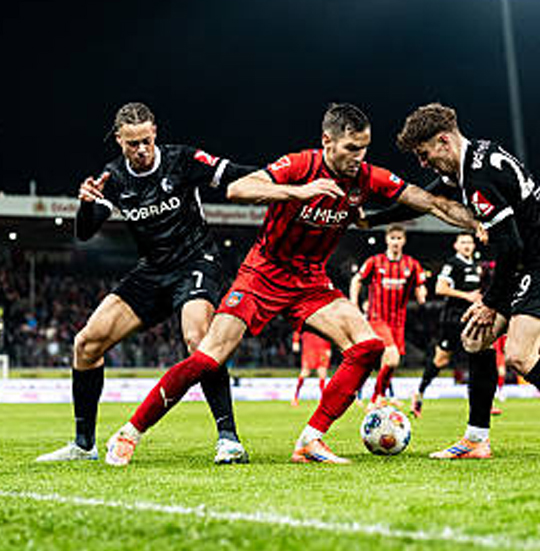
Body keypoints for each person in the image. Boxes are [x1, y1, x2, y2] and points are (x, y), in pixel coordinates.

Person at [104, 103, 484, 466]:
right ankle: (129, 432)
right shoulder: (301, 165)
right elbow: (238, 190)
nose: (359, 157)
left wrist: (480, 223)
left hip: (311, 282)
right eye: (351, 148)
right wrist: (299, 191)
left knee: (369, 347)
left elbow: (432, 202)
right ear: (327, 141)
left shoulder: (366, 178)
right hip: (263, 274)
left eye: (364, 149)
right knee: (207, 358)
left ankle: (311, 440)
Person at [395, 102, 540, 462]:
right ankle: (476, 439)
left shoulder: (478, 177)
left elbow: (510, 246)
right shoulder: (474, 157)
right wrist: (367, 217)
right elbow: (425, 198)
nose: (423, 163)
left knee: (518, 355)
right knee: (474, 339)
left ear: (443, 142)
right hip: (532, 260)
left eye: (424, 154)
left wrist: (490, 302)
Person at [36, 102, 256, 464]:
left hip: (195, 261)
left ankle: (228, 439)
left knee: (198, 338)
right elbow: (86, 232)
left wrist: (285, 178)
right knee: (86, 343)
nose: (140, 150)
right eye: (131, 144)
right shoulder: (114, 177)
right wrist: (86, 204)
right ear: (118, 140)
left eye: (146, 141)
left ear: (155, 133)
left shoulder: (182, 160)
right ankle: (83, 444)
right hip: (152, 270)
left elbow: (234, 173)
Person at [348, 224, 427, 404]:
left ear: (404, 241)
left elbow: (420, 283)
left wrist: (421, 292)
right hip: (377, 317)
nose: (396, 242)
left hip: (398, 321)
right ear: (387, 240)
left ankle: (381, 395)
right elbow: (356, 280)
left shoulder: (411, 264)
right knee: (391, 357)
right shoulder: (375, 261)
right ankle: (376, 397)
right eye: (393, 238)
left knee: (391, 362)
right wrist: (354, 303)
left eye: (399, 238)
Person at [412, 232, 483, 417]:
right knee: (441, 359)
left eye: (470, 242)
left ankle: (482, 403)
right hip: (453, 318)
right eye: (463, 242)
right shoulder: (453, 264)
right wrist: (467, 296)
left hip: (471, 318)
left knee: (478, 355)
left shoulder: (475, 266)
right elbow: (439, 288)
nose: (467, 245)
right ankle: (419, 393)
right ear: (456, 246)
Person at [290, 329, 330, 407]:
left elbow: (327, 332)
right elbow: (298, 327)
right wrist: (295, 340)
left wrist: (328, 347)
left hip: (322, 347)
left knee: (322, 373)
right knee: (305, 372)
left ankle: (323, 400)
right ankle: (295, 397)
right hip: (309, 347)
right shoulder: (306, 319)